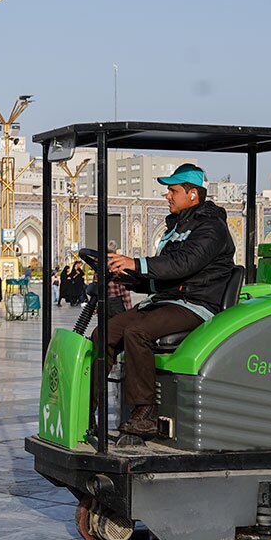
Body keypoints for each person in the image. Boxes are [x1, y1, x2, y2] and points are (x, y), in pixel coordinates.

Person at [103, 164, 235, 438]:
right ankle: (90, 410)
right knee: (104, 333)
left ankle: (146, 413)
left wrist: (136, 263)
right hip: (168, 300)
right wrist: (129, 276)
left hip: (196, 303)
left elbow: (183, 264)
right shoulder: (175, 227)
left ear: (193, 194)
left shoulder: (211, 228)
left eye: (173, 190)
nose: (168, 196)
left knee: (136, 332)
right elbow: (164, 273)